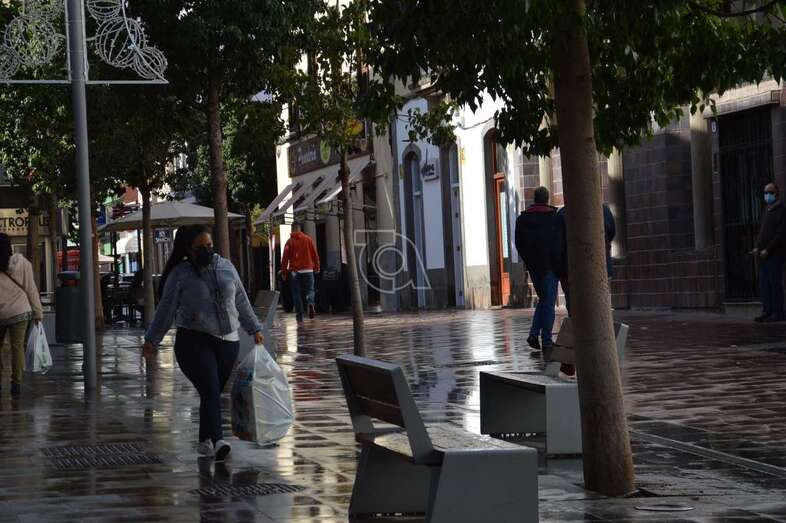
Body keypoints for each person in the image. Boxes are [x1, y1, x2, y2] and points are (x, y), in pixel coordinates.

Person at [142, 225, 263, 460]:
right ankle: (218, 441)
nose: (207, 251)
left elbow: (241, 300)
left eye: (209, 246)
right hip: (194, 341)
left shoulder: (227, 267)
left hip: (229, 342)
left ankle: (204, 440)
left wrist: (254, 328)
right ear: (188, 250)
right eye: (201, 248)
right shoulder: (180, 275)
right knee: (209, 388)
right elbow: (166, 309)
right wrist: (152, 340)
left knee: (212, 393)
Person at [515, 187, 563, 352]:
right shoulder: (553, 218)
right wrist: (558, 263)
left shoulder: (522, 219)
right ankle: (547, 340)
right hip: (550, 266)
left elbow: (519, 244)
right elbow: (558, 242)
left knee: (543, 300)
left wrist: (529, 261)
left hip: (534, 267)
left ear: (534, 199)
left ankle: (534, 335)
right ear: (547, 199)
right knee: (548, 303)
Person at [0, 233, 43, 396]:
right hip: (20, 311)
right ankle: (16, 382)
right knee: (17, 348)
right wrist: (37, 312)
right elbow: (31, 289)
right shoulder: (23, 263)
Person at [557, 203, 616, 313]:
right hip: (601, 265)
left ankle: (579, 326)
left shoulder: (562, 214)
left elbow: (559, 244)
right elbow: (612, 232)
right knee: (601, 302)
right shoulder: (604, 210)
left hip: (572, 268)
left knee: (575, 305)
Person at [752, 182, 786, 322]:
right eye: (765, 192)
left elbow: (780, 233)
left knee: (774, 283)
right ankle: (767, 310)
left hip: (775, 254)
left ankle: (778, 312)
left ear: (776, 194)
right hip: (762, 254)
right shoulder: (767, 209)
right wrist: (757, 248)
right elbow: (763, 232)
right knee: (765, 284)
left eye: (770, 192)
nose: (767, 195)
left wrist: (768, 249)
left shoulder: (782, 209)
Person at [281, 222, 320, 322]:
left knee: (296, 293)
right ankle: (310, 302)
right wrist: (317, 266)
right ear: (300, 228)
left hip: (295, 271)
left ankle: (299, 315)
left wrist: (284, 272)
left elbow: (284, 259)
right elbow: (314, 254)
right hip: (308, 269)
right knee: (310, 289)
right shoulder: (308, 239)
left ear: (292, 229)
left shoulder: (289, 242)